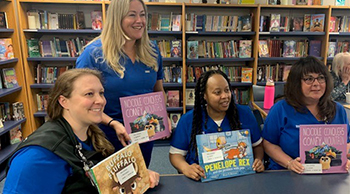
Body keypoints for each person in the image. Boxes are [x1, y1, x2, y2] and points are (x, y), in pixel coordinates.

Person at [3, 69, 160, 193]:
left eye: (101, 93)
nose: (101, 101)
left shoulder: (91, 135)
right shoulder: (38, 155)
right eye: (89, 94)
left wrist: (138, 176)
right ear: (64, 101)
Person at [76, 0, 167, 168]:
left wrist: (162, 117)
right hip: (107, 135)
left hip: (144, 131)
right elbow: (80, 103)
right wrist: (112, 123)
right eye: (132, 15)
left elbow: (157, 89)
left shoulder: (152, 50)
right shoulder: (93, 54)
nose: (139, 21)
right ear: (117, 18)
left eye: (142, 15)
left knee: (140, 178)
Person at [169, 70, 264, 181]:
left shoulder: (245, 114)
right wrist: (185, 168)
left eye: (227, 90)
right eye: (217, 92)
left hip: (240, 179)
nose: (225, 96)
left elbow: (258, 146)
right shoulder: (189, 120)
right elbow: (175, 155)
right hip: (201, 181)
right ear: (204, 95)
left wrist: (258, 160)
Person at [262, 56, 350, 174]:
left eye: (321, 78)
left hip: (329, 176)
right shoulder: (280, 109)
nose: (316, 84)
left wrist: (343, 158)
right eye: (309, 79)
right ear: (296, 83)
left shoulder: (338, 110)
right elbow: (268, 143)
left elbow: (346, 141)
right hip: (286, 174)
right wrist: (289, 163)